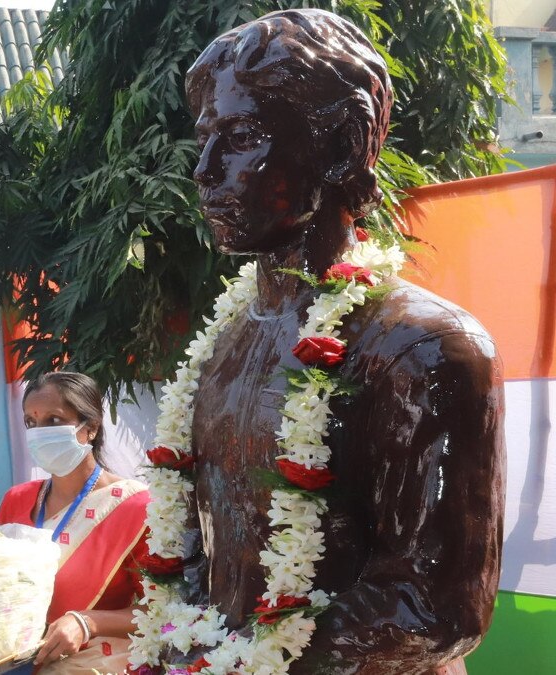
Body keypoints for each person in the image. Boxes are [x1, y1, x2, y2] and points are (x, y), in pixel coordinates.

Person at [139, 9, 501, 674]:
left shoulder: (423, 347)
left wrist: (250, 667)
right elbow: (194, 551)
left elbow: (435, 605)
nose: (205, 170)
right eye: (205, 139)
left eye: (242, 136)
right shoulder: (220, 343)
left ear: (342, 145)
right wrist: (181, 645)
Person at [0, 372, 151, 674]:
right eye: (30, 422)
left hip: (90, 662)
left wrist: (87, 622)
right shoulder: (16, 500)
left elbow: (164, 612)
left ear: (90, 427)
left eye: (53, 420)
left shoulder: (136, 507)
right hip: (9, 662)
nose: (38, 432)